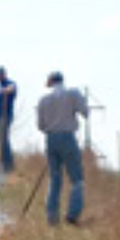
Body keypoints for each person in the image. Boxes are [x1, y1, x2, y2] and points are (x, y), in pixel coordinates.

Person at [35, 71, 88, 226]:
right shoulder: (73, 93)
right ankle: (72, 214)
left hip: (50, 139)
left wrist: (52, 129)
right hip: (67, 138)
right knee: (77, 180)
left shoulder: (43, 100)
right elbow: (85, 112)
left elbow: (40, 126)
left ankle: (52, 218)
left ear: (51, 82)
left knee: (54, 180)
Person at [0, 65, 19, 174]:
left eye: (1, 74)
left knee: (4, 140)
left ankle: (8, 166)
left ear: (4, 74)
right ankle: (3, 165)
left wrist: (6, 90)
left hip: (5, 115)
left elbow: (12, 89)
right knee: (0, 141)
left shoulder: (10, 83)